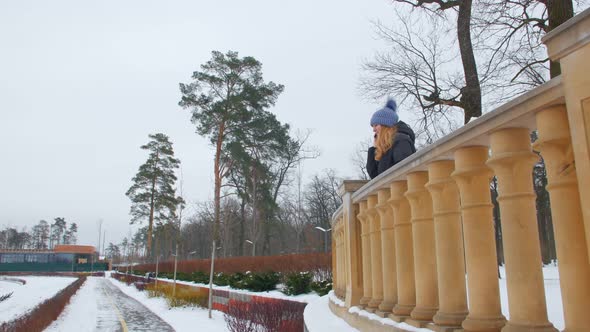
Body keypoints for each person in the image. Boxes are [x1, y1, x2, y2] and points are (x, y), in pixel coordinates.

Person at [366, 99, 416, 179]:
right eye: (373, 126)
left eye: (376, 125)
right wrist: (374, 149)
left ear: (385, 125)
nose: (374, 130)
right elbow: (375, 177)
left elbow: (404, 171)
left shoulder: (401, 141)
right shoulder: (385, 146)